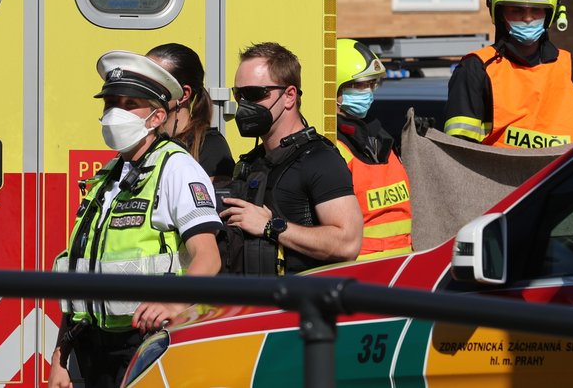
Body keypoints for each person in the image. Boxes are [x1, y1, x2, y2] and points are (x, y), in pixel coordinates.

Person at [48, 50, 222, 388]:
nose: (116, 114)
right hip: (89, 348)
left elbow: (208, 257)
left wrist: (172, 302)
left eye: (130, 105)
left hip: (144, 345)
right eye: (110, 104)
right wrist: (60, 358)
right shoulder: (106, 177)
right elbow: (79, 272)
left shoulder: (177, 168)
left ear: (157, 117)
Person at [219, 41, 362, 274]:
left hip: (300, 305)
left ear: (289, 96)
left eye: (255, 94)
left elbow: (348, 243)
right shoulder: (251, 163)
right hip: (256, 305)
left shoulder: (320, 159)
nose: (244, 105)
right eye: (239, 95)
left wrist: (270, 227)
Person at [444, 0, 573, 149]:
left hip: (568, 177)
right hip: (501, 178)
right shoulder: (476, 69)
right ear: (499, 13)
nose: (528, 18)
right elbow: (458, 153)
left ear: (550, 14)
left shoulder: (569, 67)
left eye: (536, 10)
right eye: (517, 10)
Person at [334, 38, 413, 259]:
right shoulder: (333, 148)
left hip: (401, 268)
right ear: (334, 88)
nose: (368, 92)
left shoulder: (381, 140)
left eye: (372, 84)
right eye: (359, 85)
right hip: (359, 274)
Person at [147, 43, 235, 180]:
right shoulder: (142, 140)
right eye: (141, 80)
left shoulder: (210, 146)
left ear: (183, 94)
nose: (142, 89)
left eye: (154, 82)